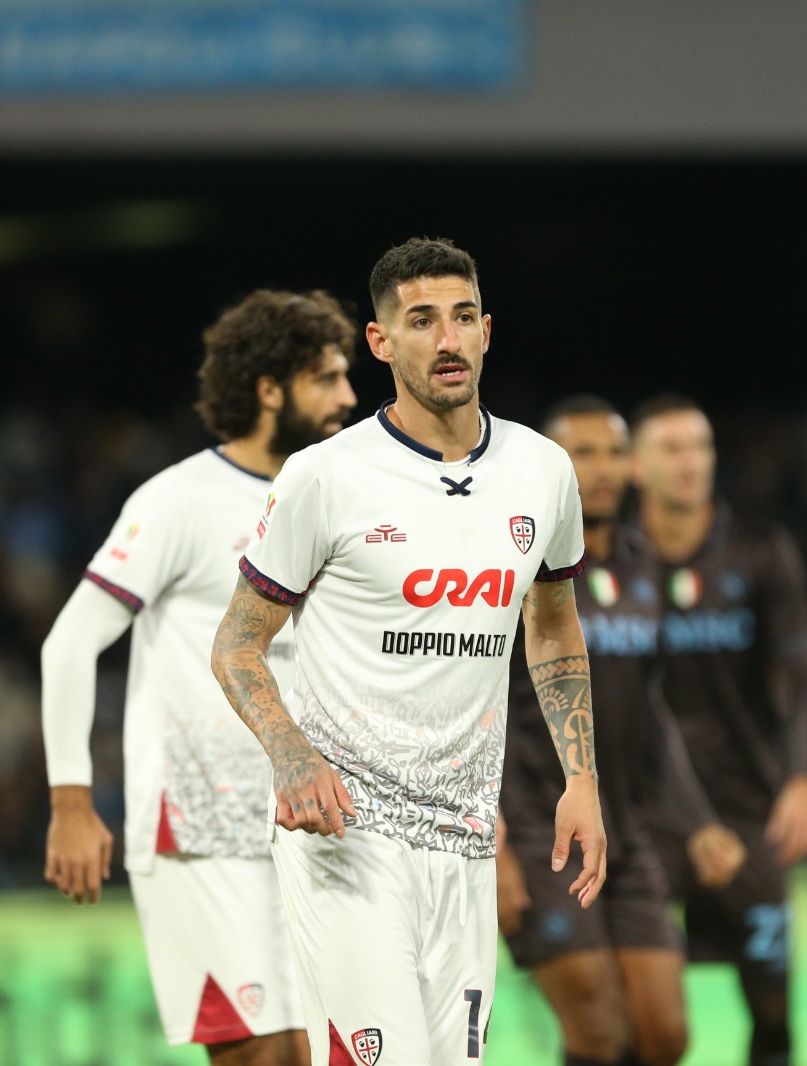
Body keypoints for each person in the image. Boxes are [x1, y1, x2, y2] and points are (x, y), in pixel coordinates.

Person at [210, 236, 608, 1066]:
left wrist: (581, 779)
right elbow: (238, 645)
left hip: (465, 838)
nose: (447, 339)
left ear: (487, 331)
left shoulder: (543, 471)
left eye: (463, 317)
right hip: (346, 837)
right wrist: (291, 754)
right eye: (422, 321)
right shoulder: (325, 476)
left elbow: (552, 624)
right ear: (381, 342)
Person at [40, 289, 357, 1065]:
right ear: (269, 390)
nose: (349, 397)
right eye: (326, 378)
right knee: (263, 1054)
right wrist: (72, 804)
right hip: (200, 824)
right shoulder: (179, 499)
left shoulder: (341, 501)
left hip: (313, 821)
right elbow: (70, 643)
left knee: (331, 1050)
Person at [497, 395, 745, 1066]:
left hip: (626, 832)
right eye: (582, 453)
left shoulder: (642, 565)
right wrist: (495, 841)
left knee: (665, 1034)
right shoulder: (518, 565)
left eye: (613, 452)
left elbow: (650, 712)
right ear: (551, 466)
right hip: (539, 828)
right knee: (598, 1031)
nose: (601, 469)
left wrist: (696, 821)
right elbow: (480, 707)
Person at [630, 394, 807, 1066]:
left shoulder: (759, 551)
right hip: (644, 817)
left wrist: (806, 777)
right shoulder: (611, 564)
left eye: (701, 446)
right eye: (671, 448)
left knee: (773, 1015)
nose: (690, 462)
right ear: (636, 466)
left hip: (750, 811)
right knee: (640, 1022)